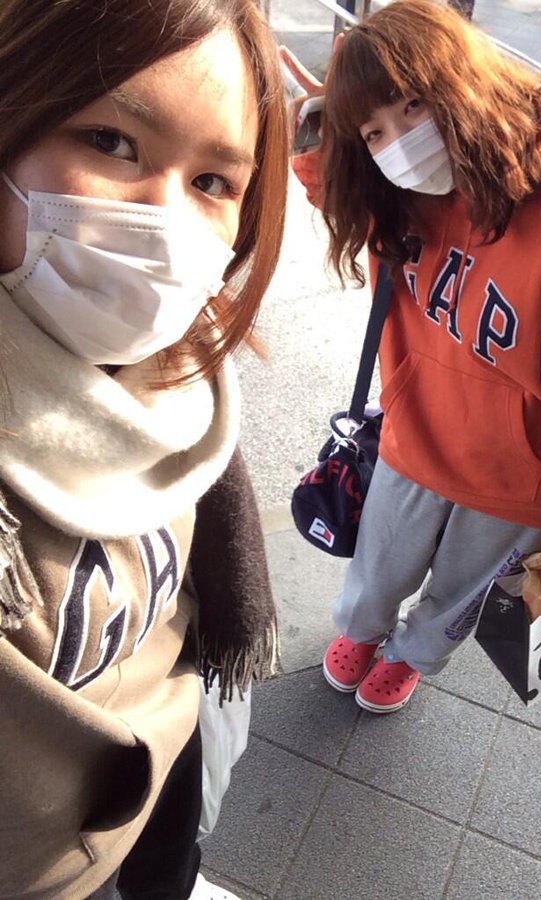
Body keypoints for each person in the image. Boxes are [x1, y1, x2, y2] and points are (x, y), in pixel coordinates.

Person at [0, 1, 288, 897]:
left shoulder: (182, 377)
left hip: (164, 779)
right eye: (111, 141)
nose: (167, 219)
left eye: (213, 181)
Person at [284, 0, 541, 714]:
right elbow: (331, 185)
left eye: (413, 105)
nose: (400, 143)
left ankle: (412, 656)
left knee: (460, 594)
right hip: (415, 435)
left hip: (518, 476)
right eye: (375, 132)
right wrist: (326, 122)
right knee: (377, 564)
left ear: (460, 82)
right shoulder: (396, 190)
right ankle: (363, 631)